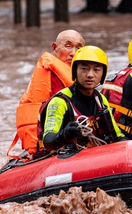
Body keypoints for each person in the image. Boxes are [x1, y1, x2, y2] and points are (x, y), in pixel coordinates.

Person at [8, 30, 85, 159]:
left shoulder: (83, 76)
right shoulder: (50, 74)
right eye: (68, 46)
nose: (73, 53)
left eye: (79, 48)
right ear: (55, 48)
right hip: (49, 143)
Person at [40, 46, 126, 151]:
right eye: (84, 69)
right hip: (65, 159)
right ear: (75, 71)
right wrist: (64, 134)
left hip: (95, 156)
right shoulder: (60, 101)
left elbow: (117, 136)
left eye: (96, 70)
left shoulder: (101, 100)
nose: (90, 75)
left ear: (103, 74)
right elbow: (48, 141)